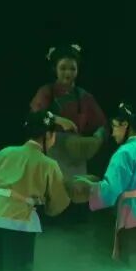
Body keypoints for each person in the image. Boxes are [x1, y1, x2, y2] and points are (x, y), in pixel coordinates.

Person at [0, 111, 70, 271]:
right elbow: (59, 203)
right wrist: (46, 206)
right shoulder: (49, 164)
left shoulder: (6, 152)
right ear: (48, 134)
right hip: (18, 222)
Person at [76, 103, 136, 268]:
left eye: (114, 127)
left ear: (125, 125)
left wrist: (89, 187)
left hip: (134, 218)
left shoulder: (124, 153)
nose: (112, 133)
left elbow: (110, 192)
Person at [29, 43, 108, 180]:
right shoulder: (46, 92)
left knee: (77, 189)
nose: (68, 73)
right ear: (55, 69)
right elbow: (34, 117)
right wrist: (57, 119)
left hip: (76, 155)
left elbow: (103, 124)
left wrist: (97, 139)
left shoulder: (84, 97)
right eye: (63, 68)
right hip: (49, 153)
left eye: (72, 69)